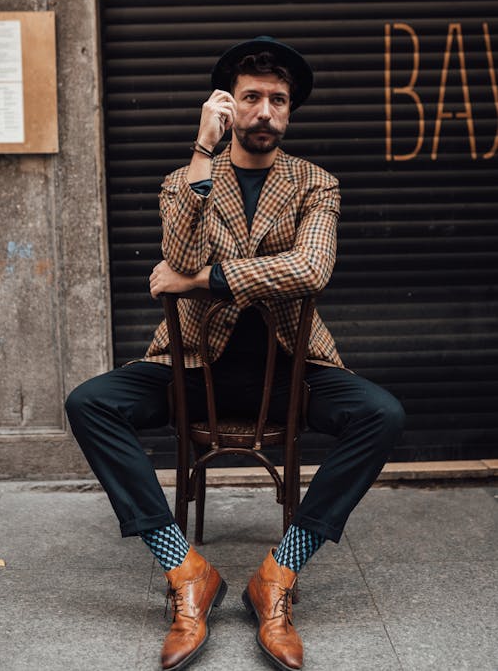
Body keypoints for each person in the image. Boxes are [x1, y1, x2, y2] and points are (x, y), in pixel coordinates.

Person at [66, 36, 405, 671]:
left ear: (289, 111)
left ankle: (279, 572)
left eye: (278, 100)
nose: (265, 112)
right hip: (192, 367)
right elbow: (181, 250)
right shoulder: (185, 180)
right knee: (89, 403)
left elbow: (310, 268)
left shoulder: (315, 183)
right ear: (227, 106)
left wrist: (201, 281)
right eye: (251, 98)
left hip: (294, 369)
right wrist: (201, 151)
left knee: (381, 414)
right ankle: (184, 569)